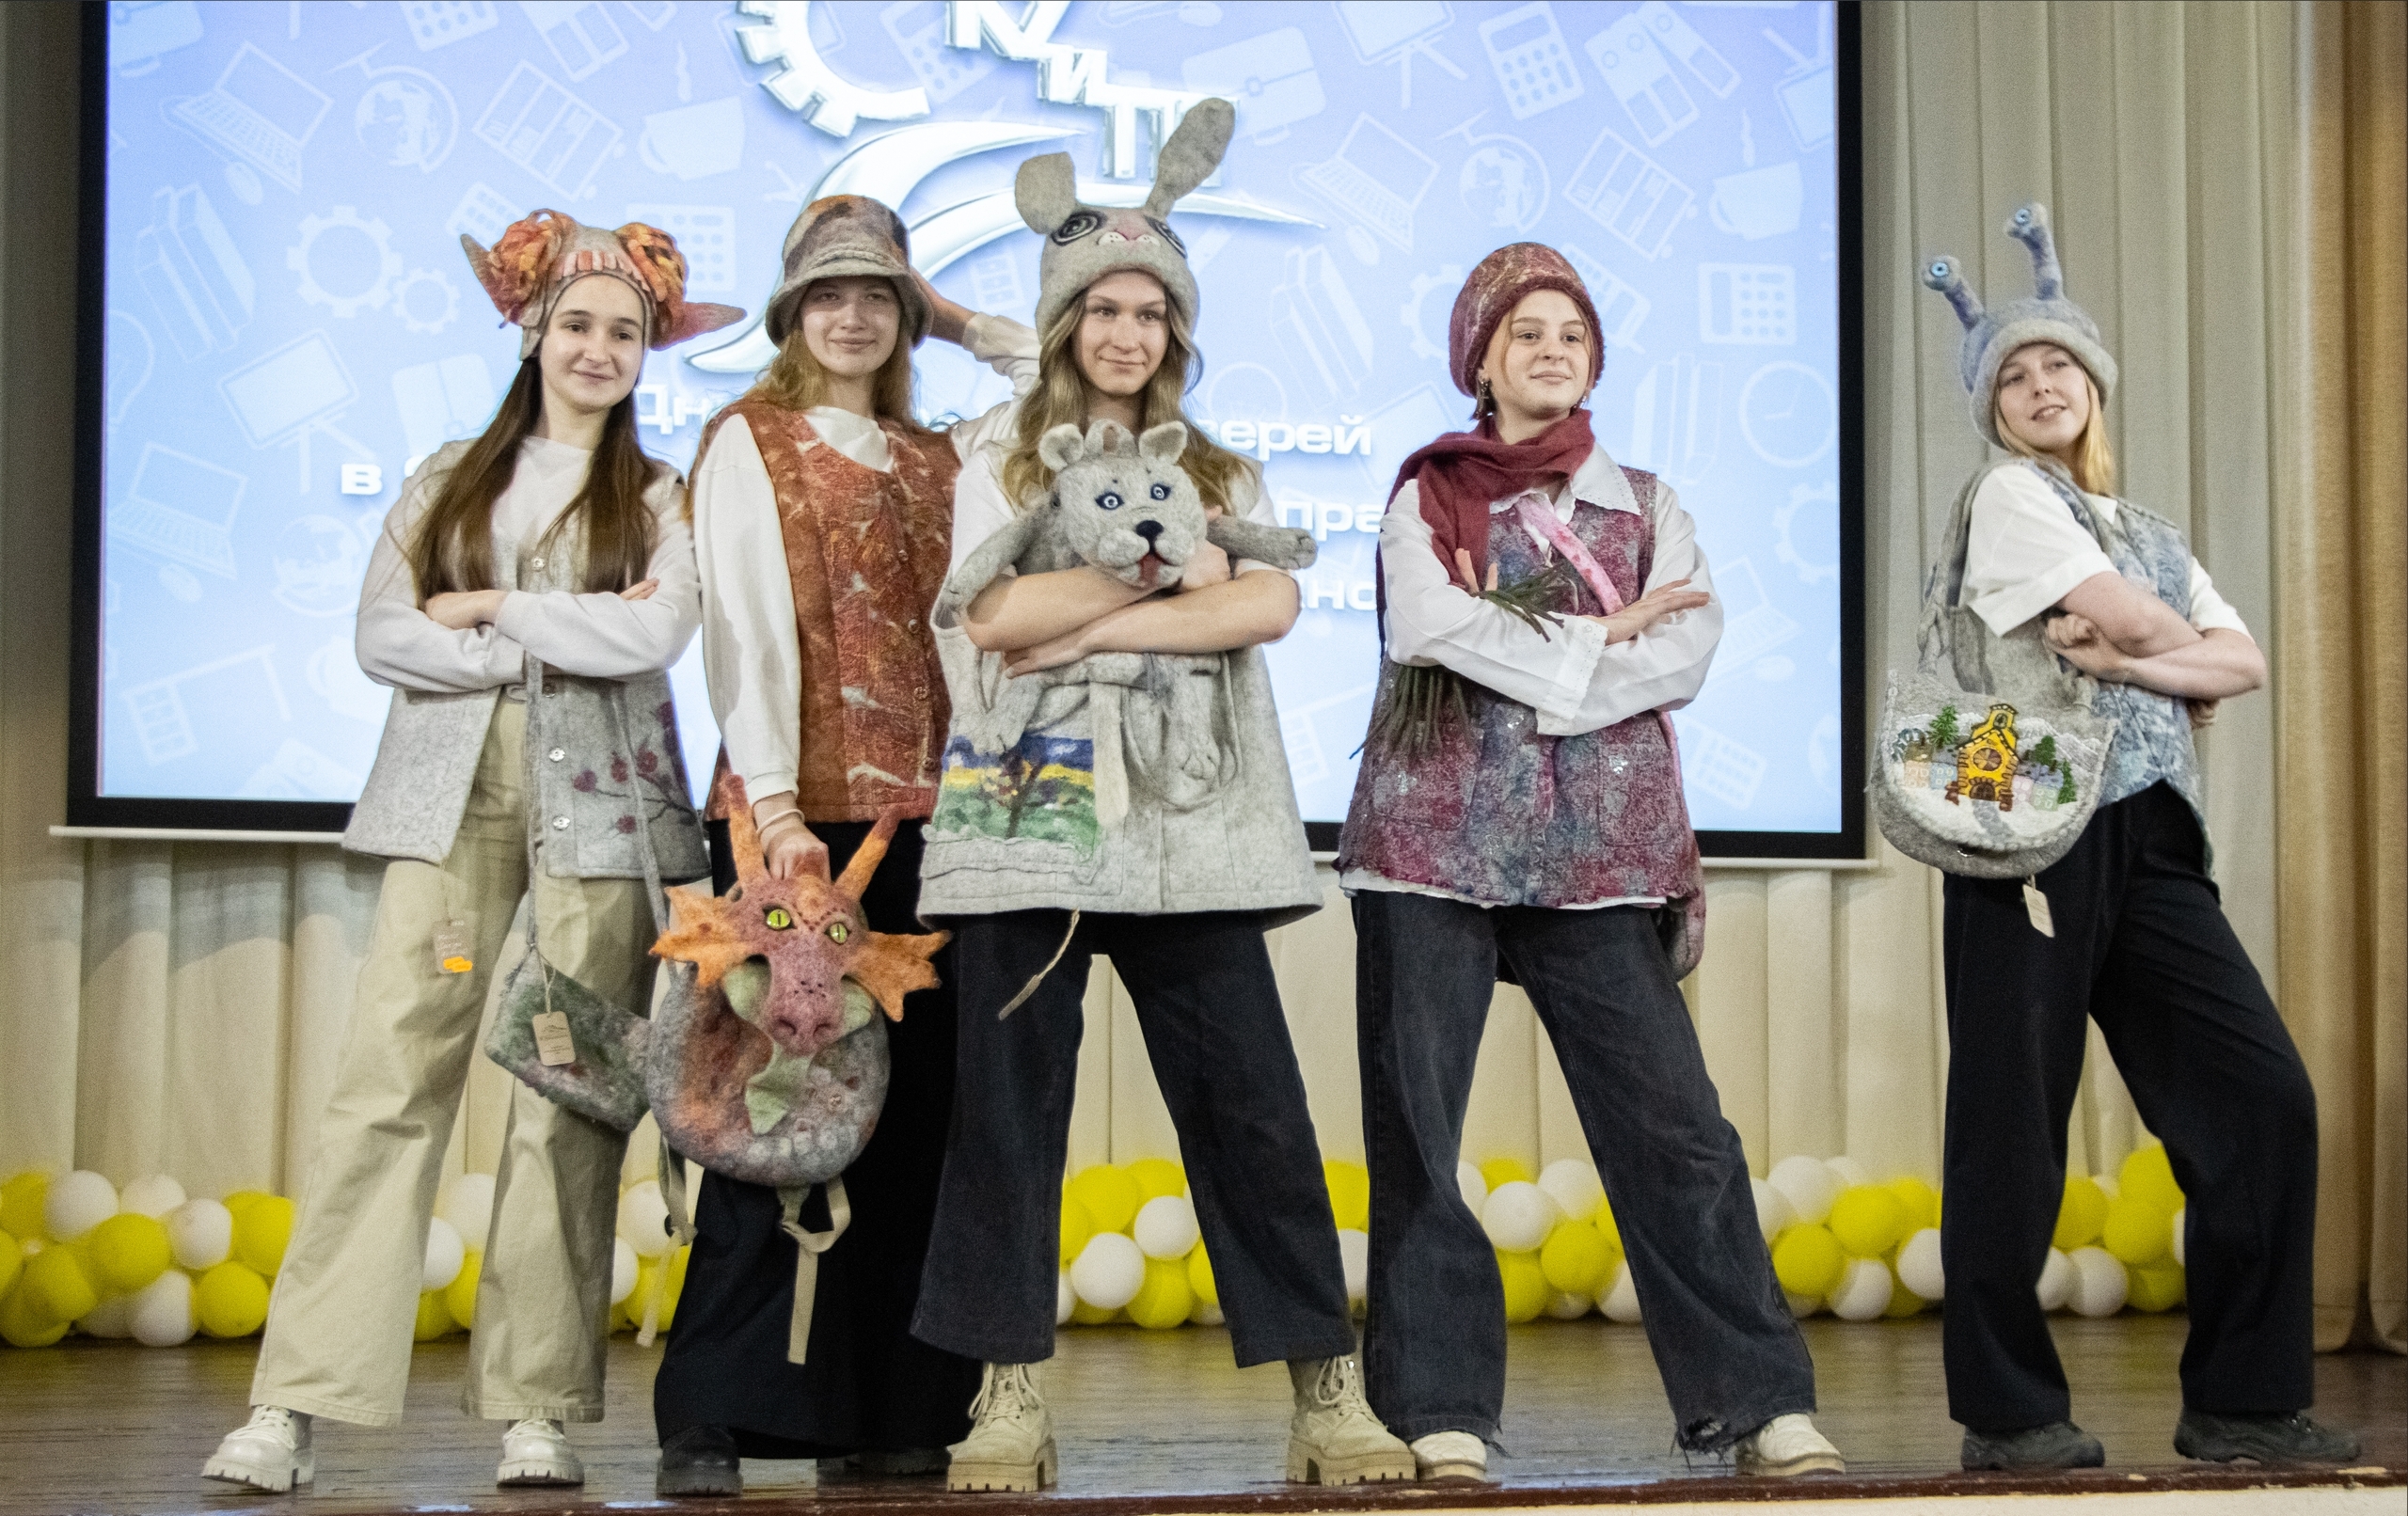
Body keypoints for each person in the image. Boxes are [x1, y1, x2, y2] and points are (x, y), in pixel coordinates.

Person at [907, 100, 1415, 1494]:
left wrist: (1100, 618)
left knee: (1251, 1104)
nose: (1125, 333)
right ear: (1062, 320)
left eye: (1149, 312)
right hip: (1029, 795)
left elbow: (1264, 604)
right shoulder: (995, 454)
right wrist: (1150, 588)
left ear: (1177, 330)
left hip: (1193, 804)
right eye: (1102, 309)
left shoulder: (1219, 467)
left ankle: (1326, 1390)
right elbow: (992, 615)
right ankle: (1006, 1395)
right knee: (1006, 1109)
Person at [203, 212, 738, 1492]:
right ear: (532, 332)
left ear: (647, 352)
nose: (599, 350)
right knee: (392, 1078)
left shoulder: (661, 494)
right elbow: (382, 635)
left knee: (570, 1093)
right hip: (453, 804)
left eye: (624, 333)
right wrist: (554, 633)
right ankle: (294, 1403)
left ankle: (537, 1405)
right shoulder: (450, 473)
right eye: (578, 325)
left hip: (604, 817)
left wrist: (492, 609)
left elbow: (655, 635)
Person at [1334, 243, 1845, 1482]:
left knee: (1679, 1132)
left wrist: (1561, 660)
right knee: (1420, 1134)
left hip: (1601, 853)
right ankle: (1439, 1409)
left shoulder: (1650, 504)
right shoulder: (1427, 494)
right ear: (1481, 359)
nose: (1552, 350)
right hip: (1428, 844)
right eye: (1526, 332)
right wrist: (1602, 638)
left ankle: (1757, 1402)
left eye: (1572, 333)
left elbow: (1685, 652)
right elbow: (1426, 628)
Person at [1921, 204, 2358, 1471]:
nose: (2040, 385)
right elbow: (2156, 628)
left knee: (2261, 1099)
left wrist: (2130, 661)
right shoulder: (2008, 496)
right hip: (2031, 835)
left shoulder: (2150, 527)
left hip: (2155, 836)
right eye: (2014, 374)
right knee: (2013, 1120)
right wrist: (2167, 653)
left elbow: (2244, 662)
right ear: (1995, 409)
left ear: (2095, 385)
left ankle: (2244, 1401)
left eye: (2058, 363)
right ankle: (2009, 1414)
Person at [652, 195, 1040, 1498]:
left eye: (879, 294)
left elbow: (1051, 380)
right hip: (801, 825)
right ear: (791, 315)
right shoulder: (748, 439)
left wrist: (955, 315)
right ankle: (720, 1411)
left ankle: (900, 1405)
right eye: (830, 294)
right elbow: (746, 631)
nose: (855, 316)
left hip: (941, 825)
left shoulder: (945, 454)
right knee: (775, 1103)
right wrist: (772, 815)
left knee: (923, 1117)